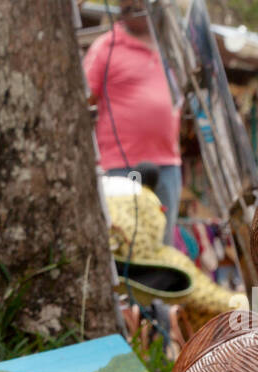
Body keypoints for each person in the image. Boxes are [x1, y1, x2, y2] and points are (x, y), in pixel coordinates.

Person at [83, 0, 183, 245]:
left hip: (167, 165)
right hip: (120, 167)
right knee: (126, 246)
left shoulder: (170, 47)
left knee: (161, 246)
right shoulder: (105, 47)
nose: (134, 5)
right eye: (127, 5)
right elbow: (83, 101)